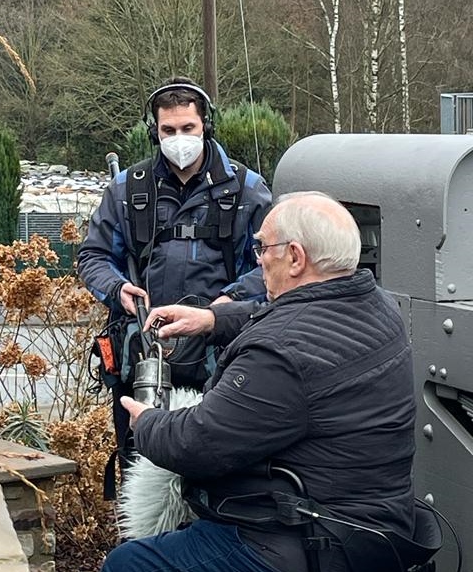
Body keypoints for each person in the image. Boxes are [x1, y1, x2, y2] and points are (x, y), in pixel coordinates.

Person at [105, 192, 422, 572]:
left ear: (295, 257)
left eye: (262, 247)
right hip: (371, 523)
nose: (257, 258)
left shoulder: (280, 355)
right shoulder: (376, 305)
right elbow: (285, 312)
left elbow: (196, 444)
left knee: (128, 563)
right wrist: (210, 319)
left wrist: (147, 422)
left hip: (305, 540)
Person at [77, 76, 272, 486]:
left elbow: (273, 268)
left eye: (188, 129)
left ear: (206, 127)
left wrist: (228, 303)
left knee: (217, 469)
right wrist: (117, 290)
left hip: (223, 358)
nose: (179, 139)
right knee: (142, 471)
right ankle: (142, 546)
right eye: (168, 130)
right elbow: (92, 257)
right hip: (145, 355)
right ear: (155, 131)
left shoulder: (247, 190)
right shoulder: (127, 190)